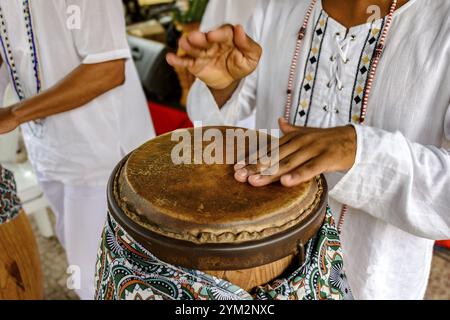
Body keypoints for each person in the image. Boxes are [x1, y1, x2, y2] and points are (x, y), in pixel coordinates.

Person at [168, 0, 450, 299]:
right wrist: (223, 85)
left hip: (374, 282)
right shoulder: (280, 7)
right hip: (263, 275)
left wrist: (357, 149)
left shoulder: (440, 22)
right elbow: (216, 124)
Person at [0, 0, 155, 299]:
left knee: (98, 275)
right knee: (73, 247)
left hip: (100, 153)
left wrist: (15, 114)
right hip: (47, 148)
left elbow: (108, 69)